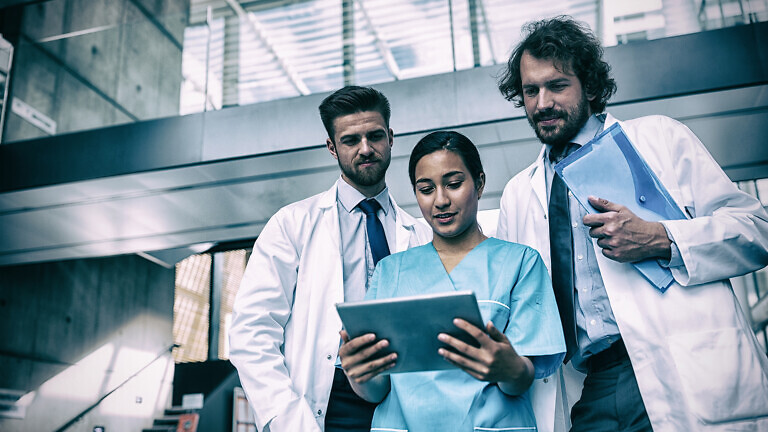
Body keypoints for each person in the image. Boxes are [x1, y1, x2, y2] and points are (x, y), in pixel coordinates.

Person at [495, 16, 768, 432]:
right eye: (530, 91)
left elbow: (756, 228)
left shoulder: (660, 139)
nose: (542, 103)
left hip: (680, 366)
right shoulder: (519, 193)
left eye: (557, 86)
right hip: (592, 386)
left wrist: (661, 238)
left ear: (587, 83)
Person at [228, 85, 432, 432]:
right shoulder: (292, 224)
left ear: (391, 138)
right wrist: (286, 418)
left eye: (375, 136)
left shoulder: (421, 234)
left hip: (406, 399)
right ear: (331, 147)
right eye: (351, 140)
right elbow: (251, 332)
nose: (365, 149)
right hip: (328, 402)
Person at [339, 131, 566, 432]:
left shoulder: (520, 263)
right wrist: (359, 373)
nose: (441, 201)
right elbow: (377, 390)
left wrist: (508, 368)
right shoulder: (390, 271)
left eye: (454, 184)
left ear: (480, 183)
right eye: (426, 189)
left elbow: (520, 380)